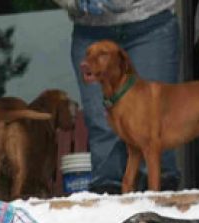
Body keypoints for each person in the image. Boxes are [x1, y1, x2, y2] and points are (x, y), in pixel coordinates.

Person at [56, 0, 181, 194]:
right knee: (103, 127)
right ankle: (109, 206)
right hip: (90, 29)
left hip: (150, 22)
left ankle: (161, 210)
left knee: (155, 124)